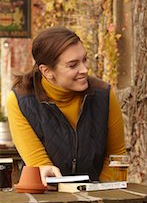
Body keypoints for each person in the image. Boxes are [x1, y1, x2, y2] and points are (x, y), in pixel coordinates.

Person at [6, 26, 126, 185]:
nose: (84, 69)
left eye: (85, 59)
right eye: (73, 65)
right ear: (47, 71)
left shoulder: (104, 95)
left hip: (99, 195)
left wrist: (102, 196)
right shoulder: (20, 101)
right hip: (47, 196)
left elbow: (115, 156)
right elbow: (40, 164)